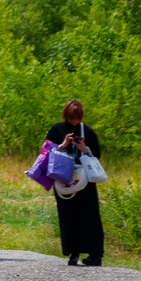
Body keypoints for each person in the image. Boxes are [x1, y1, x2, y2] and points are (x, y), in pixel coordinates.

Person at [47, 99, 103, 266]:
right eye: (72, 117)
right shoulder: (56, 129)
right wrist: (62, 145)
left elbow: (97, 154)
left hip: (84, 178)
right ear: (66, 115)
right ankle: (73, 252)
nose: (74, 121)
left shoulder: (87, 130)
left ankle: (95, 254)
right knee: (67, 215)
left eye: (77, 117)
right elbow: (47, 152)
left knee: (90, 215)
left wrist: (84, 149)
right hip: (64, 177)